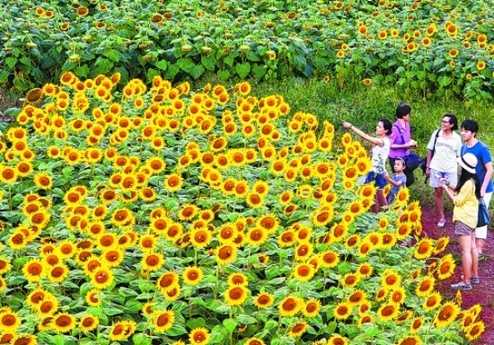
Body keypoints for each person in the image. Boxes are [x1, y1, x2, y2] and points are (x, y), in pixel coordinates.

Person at [442, 153, 480, 290]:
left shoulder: (468, 184)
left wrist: (445, 188)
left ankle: (466, 282)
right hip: (471, 219)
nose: (458, 167)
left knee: (465, 252)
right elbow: (460, 192)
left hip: (463, 219)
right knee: (472, 248)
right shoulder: (472, 181)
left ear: (464, 168)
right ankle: (474, 277)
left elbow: (457, 201)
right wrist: (448, 184)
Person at [343, 119, 392, 211]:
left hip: (376, 172)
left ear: (386, 130)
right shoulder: (385, 141)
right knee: (376, 198)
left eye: (379, 127)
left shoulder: (382, 142)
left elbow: (365, 136)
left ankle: (387, 218)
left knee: (358, 187)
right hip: (378, 172)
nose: (377, 128)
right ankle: (379, 217)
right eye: (377, 126)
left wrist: (351, 127)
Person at [460, 119, 493, 255]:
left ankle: (479, 248)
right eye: (462, 130)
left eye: (466, 131)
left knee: (480, 217)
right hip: (469, 188)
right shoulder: (463, 147)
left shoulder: (482, 148)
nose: (463, 133)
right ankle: (471, 244)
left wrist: (483, 189)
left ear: (473, 133)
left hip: (483, 188)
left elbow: (490, 170)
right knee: (470, 215)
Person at [425, 113, 462, 228]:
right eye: (442, 121)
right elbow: (430, 150)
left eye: (446, 122)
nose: (443, 123)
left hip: (450, 169)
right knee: (438, 193)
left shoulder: (457, 138)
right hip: (436, 167)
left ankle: (458, 217)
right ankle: (441, 217)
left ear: (452, 124)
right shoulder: (437, 134)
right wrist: (428, 166)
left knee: (453, 193)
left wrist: (460, 170)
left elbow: (459, 155)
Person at [389, 102, 417, 186]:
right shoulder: (394, 128)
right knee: (401, 180)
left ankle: (401, 193)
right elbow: (390, 145)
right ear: (404, 115)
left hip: (405, 156)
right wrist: (405, 146)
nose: (410, 116)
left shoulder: (407, 124)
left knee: (409, 179)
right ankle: (395, 194)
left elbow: (406, 139)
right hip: (396, 158)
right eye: (409, 114)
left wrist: (413, 143)